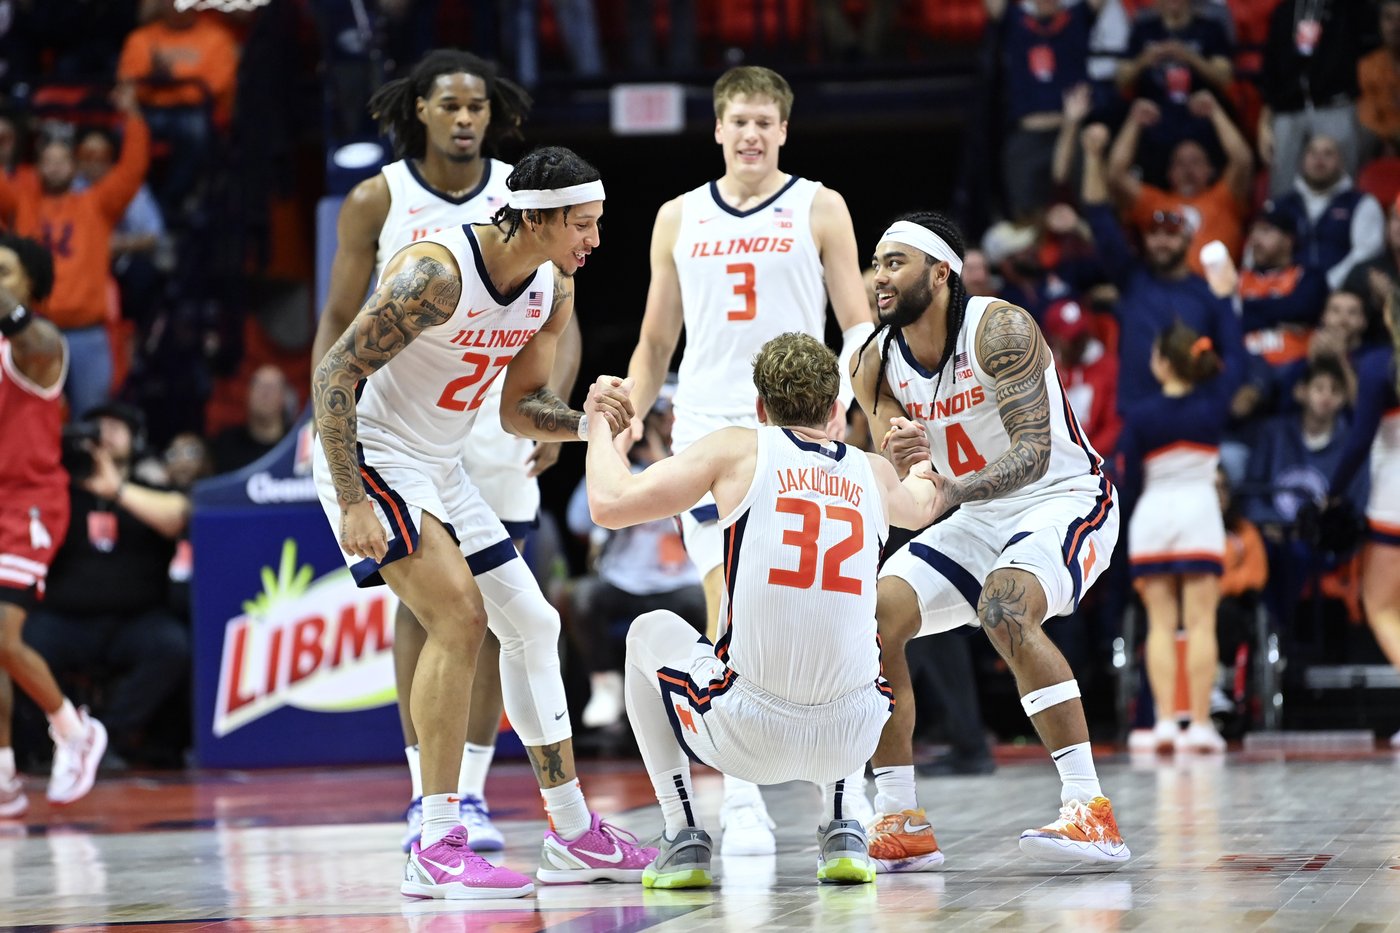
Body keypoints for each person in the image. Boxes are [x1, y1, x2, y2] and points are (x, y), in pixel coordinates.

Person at [312, 145, 655, 899]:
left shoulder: (551, 288)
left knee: (533, 623)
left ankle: (570, 832)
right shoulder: (436, 273)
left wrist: (589, 422)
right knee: (460, 617)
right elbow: (335, 372)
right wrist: (351, 499)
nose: (595, 241)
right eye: (583, 225)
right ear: (535, 217)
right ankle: (435, 840)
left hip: (441, 463)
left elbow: (517, 409)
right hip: (371, 453)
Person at [308, 49, 578, 854]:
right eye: (449, 105)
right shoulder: (377, 200)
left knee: (511, 618)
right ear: (419, 111)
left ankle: (484, 792)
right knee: (435, 609)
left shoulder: (528, 197)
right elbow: (337, 328)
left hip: (485, 431)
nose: (465, 118)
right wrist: (326, 433)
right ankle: (430, 803)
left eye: (477, 107)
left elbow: (554, 333)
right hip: (393, 425)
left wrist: (565, 420)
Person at [622, 65, 876, 856]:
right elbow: (656, 340)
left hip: (801, 418)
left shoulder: (820, 205)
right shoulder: (676, 215)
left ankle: (843, 784)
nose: (753, 135)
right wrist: (624, 414)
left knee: (825, 586)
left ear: (785, 130)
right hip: (711, 421)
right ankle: (739, 792)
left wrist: (876, 419)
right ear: (718, 129)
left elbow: (857, 327)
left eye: (766, 122)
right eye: (740, 122)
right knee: (723, 591)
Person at [588, 332, 942, 887]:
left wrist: (599, 430)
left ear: (760, 408)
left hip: (746, 735)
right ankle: (844, 825)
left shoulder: (738, 448)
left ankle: (682, 836)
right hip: (851, 739)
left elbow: (608, 505)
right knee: (850, 649)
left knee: (645, 632)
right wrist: (919, 462)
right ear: (834, 411)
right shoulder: (872, 472)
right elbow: (925, 506)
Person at [853, 210, 1128, 870]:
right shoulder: (873, 360)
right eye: (876, 263)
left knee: (1003, 606)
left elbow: (1033, 451)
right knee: (873, 617)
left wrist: (948, 490)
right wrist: (908, 462)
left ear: (941, 271)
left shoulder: (998, 328)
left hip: (1062, 496)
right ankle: (899, 818)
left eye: (895, 263)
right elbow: (907, 475)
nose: (879, 277)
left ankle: (1089, 809)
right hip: (972, 514)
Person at [0, 239, 107, 815]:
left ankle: (73, 729)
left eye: (3, 271)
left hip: (30, 504)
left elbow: (40, 340)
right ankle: (4, 777)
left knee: (1, 634)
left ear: (30, 287)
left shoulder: (39, 347)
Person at [25, 401, 192, 768]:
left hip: (136, 618)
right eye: (97, 427)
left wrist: (116, 489)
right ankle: (50, 742)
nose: (106, 434)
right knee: (22, 644)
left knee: (172, 646)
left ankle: (103, 739)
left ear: (135, 440)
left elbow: (179, 516)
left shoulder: (148, 487)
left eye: (117, 428)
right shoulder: (59, 490)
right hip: (65, 617)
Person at [0, 83, 150, 416]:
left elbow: (132, 169)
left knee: (92, 420)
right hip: (32, 330)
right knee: (28, 417)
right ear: (37, 166)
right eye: (47, 160)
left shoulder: (97, 203)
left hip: (87, 336)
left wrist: (133, 116)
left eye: (62, 160)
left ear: (74, 166)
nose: (54, 166)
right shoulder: (20, 205)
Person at [564, 383, 706, 730]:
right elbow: (579, 521)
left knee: (707, 601)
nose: (665, 426)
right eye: (658, 419)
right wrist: (612, 457)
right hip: (625, 582)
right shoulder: (623, 470)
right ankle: (605, 686)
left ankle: (700, 692)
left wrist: (663, 461)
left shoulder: (697, 465)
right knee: (581, 598)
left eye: (669, 418)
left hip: (679, 584)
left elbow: (699, 516)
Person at [1080, 121, 1245, 409]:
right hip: (1138, 417)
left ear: (1187, 241)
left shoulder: (1210, 292)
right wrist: (1093, 156)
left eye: (1170, 236)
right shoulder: (1132, 279)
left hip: (1194, 414)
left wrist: (1217, 401)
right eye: (1154, 235)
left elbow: (1234, 356)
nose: (1161, 243)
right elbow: (1100, 219)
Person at [1119, 321, 1230, 753]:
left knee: (1160, 625)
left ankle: (1165, 721)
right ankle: (1200, 724)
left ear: (1164, 363)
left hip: (1153, 515)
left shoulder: (1142, 414)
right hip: (1199, 510)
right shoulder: (1212, 406)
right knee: (1202, 623)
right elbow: (1235, 363)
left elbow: (1127, 481)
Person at [1327, 288, 1400, 747]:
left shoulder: (1379, 364)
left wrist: (1332, 494)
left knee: (1380, 604)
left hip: (1395, 488)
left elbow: (1358, 443)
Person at [1107, 92, 1253, 276]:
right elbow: (1115, 174)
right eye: (1180, 163)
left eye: (1196, 162)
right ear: (1169, 174)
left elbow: (1242, 160)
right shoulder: (1153, 202)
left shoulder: (1225, 197)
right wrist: (1134, 120)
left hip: (1214, 294)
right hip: (1166, 291)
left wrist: (1215, 111)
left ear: (1210, 170)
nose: (1188, 170)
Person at [1272, 135, 1384, 292]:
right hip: (1287, 290)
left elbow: (1367, 252)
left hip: (1343, 292)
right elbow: (1258, 250)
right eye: (1313, 153)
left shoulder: (1362, 203)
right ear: (1302, 161)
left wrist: (1330, 281)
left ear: (1342, 162)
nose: (1319, 159)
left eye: (1328, 153)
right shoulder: (1281, 205)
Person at [211, 364, 294, 473]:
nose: (265, 394)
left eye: (272, 388)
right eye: (259, 386)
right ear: (248, 394)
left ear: (284, 397)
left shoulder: (296, 444)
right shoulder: (226, 444)